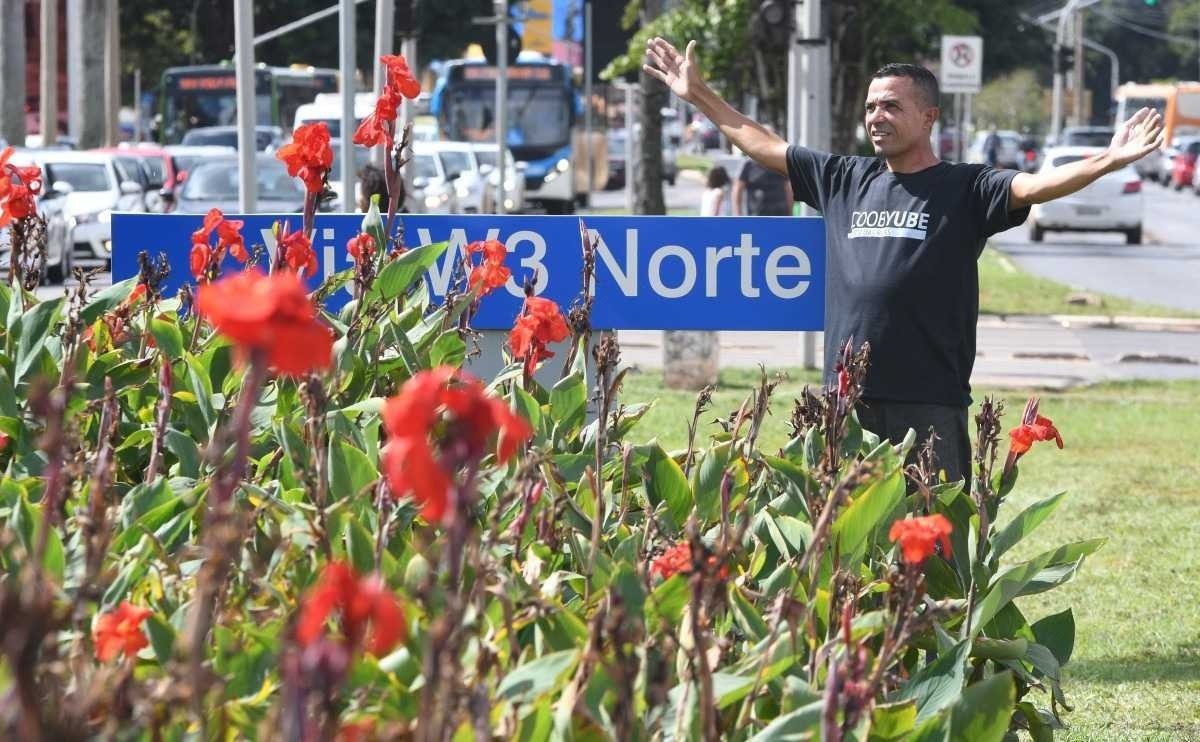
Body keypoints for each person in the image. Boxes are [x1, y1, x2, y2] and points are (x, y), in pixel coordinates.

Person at [643, 38, 1163, 484]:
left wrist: (1107, 160)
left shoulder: (966, 187)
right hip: (847, 400)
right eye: (870, 107)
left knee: (935, 555)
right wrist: (701, 97)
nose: (876, 117)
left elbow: (1037, 185)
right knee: (847, 549)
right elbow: (762, 143)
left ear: (928, 116)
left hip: (930, 402)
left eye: (891, 106)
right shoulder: (845, 178)